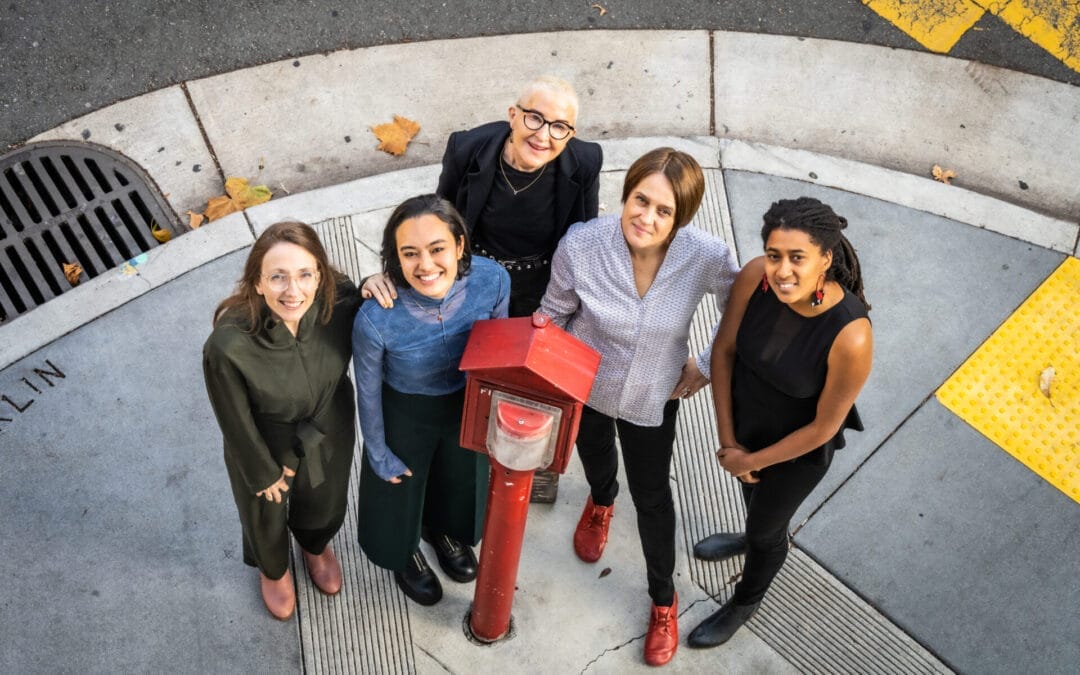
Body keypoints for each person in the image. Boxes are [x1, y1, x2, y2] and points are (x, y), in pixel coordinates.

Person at [362, 75, 602, 505]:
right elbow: (431, 220)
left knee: (537, 381)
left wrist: (572, 306)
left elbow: (581, 236)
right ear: (513, 114)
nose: (544, 135)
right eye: (534, 117)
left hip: (541, 287)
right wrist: (388, 273)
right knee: (475, 370)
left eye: (559, 126)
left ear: (571, 134)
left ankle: (537, 464)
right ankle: (474, 447)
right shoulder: (468, 149)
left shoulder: (584, 162)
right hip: (476, 284)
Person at [540, 148, 739, 666]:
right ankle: (601, 501)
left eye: (664, 210)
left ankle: (663, 600)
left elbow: (739, 306)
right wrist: (551, 384)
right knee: (597, 459)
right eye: (639, 200)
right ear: (625, 194)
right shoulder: (582, 245)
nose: (646, 218)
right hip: (588, 386)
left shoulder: (707, 255)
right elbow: (554, 314)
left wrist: (701, 363)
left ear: (683, 217)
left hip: (656, 394)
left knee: (652, 496)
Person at [687, 196, 873, 649]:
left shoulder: (852, 335)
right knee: (755, 505)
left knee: (768, 531)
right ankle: (751, 534)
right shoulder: (755, 278)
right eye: (775, 255)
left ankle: (744, 600)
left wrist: (753, 459)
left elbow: (823, 429)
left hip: (795, 453)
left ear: (825, 259)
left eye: (797, 258)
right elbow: (723, 353)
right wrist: (730, 441)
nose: (782, 270)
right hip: (745, 427)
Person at [352, 194, 510, 606]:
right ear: (395, 260)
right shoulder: (375, 316)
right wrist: (378, 451)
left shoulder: (492, 281)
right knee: (399, 484)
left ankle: (441, 530)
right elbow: (366, 389)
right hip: (406, 408)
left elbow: (498, 352)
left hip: (464, 399)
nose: (426, 265)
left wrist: (492, 417)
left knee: (459, 476)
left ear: (459, 246)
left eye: (437, 249)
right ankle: (403, 554)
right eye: (410, 253)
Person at [203, 221, 361, 621]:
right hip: (265, 439)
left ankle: (315, 544)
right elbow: (232, 418)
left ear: (320, 275)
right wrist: (261, 471)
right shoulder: (228, 344)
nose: (294, 291)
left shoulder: (340, 303)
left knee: (325, 502)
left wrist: (376, 282)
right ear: (257, 282)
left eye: (305, 274)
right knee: (265, 515)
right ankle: (273, 570)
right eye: (278, 277)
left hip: (328, 427)